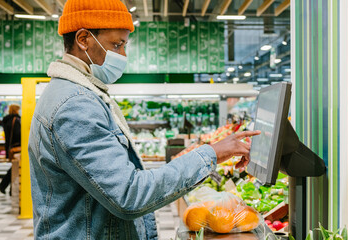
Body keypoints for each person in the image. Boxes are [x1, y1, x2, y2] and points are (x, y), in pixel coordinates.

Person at [28, 0, 261, 239]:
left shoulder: (76, 95)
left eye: (124, 45)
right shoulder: (76, 105)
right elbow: (129, 194)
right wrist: (210, 154)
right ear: (83, 39)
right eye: (116, 45)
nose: (123, 55)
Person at [0, 104, 21, 195]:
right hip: (17, 148)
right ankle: (4, 186)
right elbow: (18, 134)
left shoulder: (7, 120)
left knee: (15, 168)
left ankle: (9, 188)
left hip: (10, 148)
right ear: (16, 110)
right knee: (16, 168)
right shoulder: (16, 120)